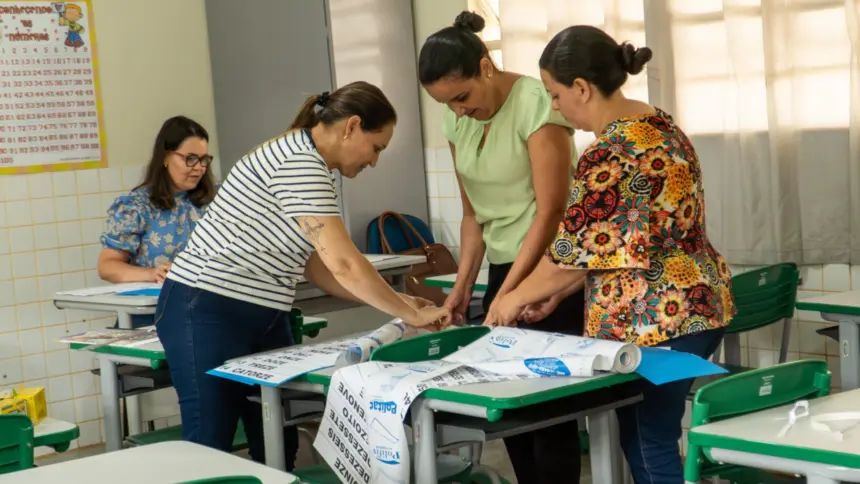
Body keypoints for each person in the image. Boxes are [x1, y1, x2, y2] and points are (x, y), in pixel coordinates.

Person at [155, 81, 451, 469]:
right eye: (376, 147)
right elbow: (343, 263)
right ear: (352, 126)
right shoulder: (299, 161)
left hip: (262, 314)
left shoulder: (314, 163)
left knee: (276, 440)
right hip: (207, 308)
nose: (374, 161)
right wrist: (411, 315)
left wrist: (401, 302)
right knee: (209, 444)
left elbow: (317, 262)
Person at [485, 25, 736, 484]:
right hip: (700, 305)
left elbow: (570, 255)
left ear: (582, 87)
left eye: (554, 94)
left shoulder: (611, 152)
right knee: (653, 437)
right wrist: (556, 294)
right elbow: (625, 242)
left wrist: (509, 299)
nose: (554, 105)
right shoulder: (662, 127)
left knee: (647, 441)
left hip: (658, 319)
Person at [419, 11, 585, 484]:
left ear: (486, 67)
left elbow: (551, 210)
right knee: (507, 405)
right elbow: (474, 215)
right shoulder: (457, 123)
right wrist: (462, 291)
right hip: (502, 269)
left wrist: (512, 293)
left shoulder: (536, 102)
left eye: (463, 97)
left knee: (548, 410)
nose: (458, 111)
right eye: (446, 104)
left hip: (549, 268)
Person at [99, 115, 216, 327]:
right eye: (190, 158)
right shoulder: (136, 207)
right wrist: (152, 273)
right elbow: (107, 267)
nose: (199, 168)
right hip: (150, 318)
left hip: (203, 313)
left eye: (204, 159)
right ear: (165, 157)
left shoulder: (212, 204)